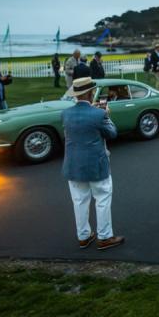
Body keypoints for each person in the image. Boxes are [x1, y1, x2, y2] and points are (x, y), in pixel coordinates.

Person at [61, 77, 125, 250]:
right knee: (102, 199)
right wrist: (107, 115)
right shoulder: (99, 114)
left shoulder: (65, 114)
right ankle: (104, 237)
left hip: (73, 165)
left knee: (79, 201)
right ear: (90, 93)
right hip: (96, 164)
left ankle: (83, 236)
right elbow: (112, 134)